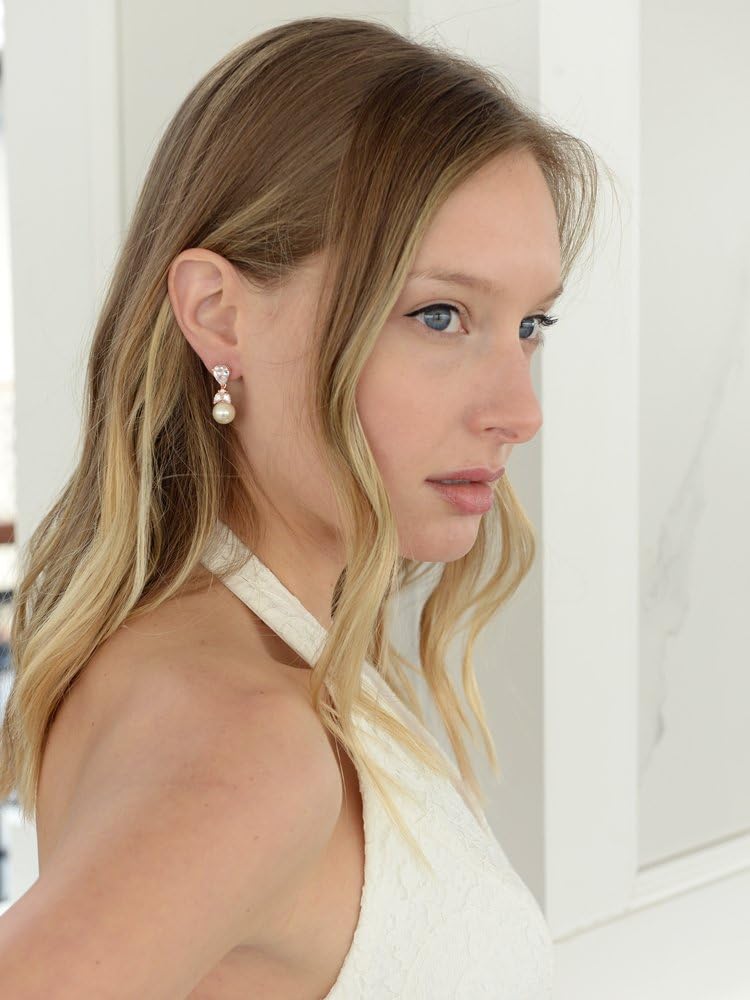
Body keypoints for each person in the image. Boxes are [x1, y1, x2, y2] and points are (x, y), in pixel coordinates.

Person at [0, 15, 607, 998]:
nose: (520, 411)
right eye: (440, 315)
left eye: (530, 324)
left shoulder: (243, 646)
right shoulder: (245, 742)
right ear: (218, 315)